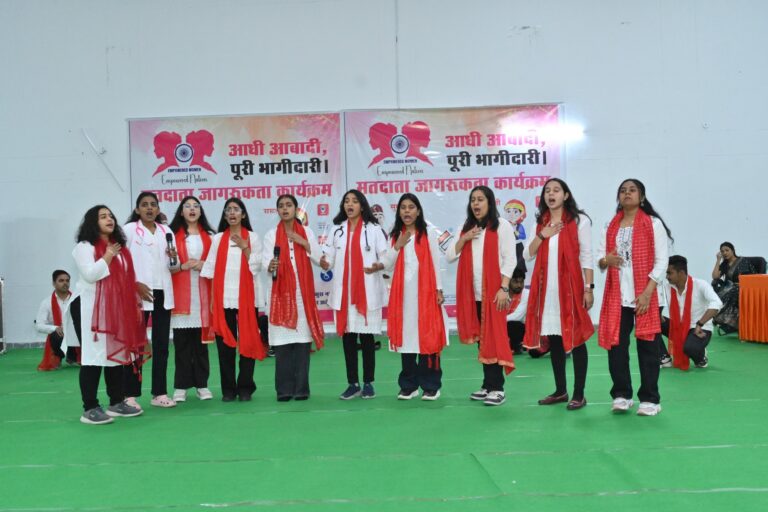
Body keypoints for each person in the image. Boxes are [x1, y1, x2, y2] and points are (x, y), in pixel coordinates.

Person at [65, 205, 148, 424]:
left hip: (114, 308)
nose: (109, 219)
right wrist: (108, 256)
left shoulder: (119, 247)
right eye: (103, 217)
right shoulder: (84, 247)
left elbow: (125, 279)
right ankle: (90, 408)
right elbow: (90, 275)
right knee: (92, 357)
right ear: (93, 222)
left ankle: (116, 402)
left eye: (110, 216)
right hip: (89, 307)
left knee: (116, 354)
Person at [597, 178, 671, 417]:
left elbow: (662, 261)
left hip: (647, 294)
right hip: (617, 297)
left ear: (642, 197)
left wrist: (648, 292)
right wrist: (606, 260)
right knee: (616, 347)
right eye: (622, 191)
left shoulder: (653, 224)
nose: (627, 193)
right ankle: (622, 395)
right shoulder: (611, 226)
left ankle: (650, 399)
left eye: (632, 190)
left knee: (648, 348)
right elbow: (599, 259)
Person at [524, 178, 594, 411]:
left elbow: (586, 256)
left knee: (577, 339)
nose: (551, 194)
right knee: (555, 339)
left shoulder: (579, 220)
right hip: (547, 290)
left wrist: (589, 288)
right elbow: (527, 255)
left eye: (556, 190)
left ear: (566, 195)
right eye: (547, 191)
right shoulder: (541, 222)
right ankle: (561, 390)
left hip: (571, 289)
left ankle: (579, 394)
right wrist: (542, 235)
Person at [446, 186, 516, 406]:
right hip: (473, 294)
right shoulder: (467, 227)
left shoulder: (502, 226)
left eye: (480, 199)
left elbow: (510, 260)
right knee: (482, 340)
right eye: (473, 200)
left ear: (490, 202)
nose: (476, 203)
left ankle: (497, 388)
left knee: (493, 338)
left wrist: (504, 288)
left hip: (495, 294)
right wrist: (464, 238)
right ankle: (488, 384)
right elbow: (450, 255)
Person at [320, 189, 388, 400]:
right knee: (348, 340)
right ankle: (353, 383)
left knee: (367, 340)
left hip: (366, 292)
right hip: (345, 295)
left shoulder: (374, 230)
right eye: (346, 201)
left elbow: (385, 256)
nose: (349, 205)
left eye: (354, 201)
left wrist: (378, 266)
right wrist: (323, 262)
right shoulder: (337, 230)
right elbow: (328, 258)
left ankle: (368, 383)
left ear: (362, 205)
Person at [381, 193, 448, 401]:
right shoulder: (395, 235)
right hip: (402, 298)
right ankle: (408, 385)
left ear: (418, 211)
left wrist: (438, 289)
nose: (407, 211)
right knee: (407, 339)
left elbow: (436, 263)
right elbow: (387, 264)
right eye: (403, 207)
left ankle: (431, 385)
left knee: (428, 338)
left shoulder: (428, 233)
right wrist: (398, 245)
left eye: (411, 207)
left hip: (426, 296)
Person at [201, 198, 266, 401]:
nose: (232, 213)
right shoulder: (218, 238)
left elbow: (257, 267)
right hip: (224, 299)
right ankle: (228, 390)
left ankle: (246, 387)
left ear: (243, 214)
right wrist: (213, 300)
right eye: (228, 210)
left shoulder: (253, 237)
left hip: (248, 299)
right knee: (225, 347)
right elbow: (211, 269)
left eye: (236, 209)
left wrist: (245, 247)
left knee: (248, 341)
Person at [263, 194, 324, 401]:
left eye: (289, 205)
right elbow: (266, 262)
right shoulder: (271, 235)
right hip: (281, 296)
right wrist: (270, 265)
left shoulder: (307, 232)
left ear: (296, 209)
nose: (285, 209)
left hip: (301, 295)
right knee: (282, 347)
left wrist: (304, 243)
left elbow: (319, 258)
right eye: (281, 206)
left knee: (302, 345)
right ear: (277, 211)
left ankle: (301, 389)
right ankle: (284, 390)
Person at [124, 191, 178, 409]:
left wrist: (174, 258)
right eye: (144, 205)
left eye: (153, 205)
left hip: (162, 292)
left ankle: (159, 393)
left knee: (162, 345)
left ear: (158, 209)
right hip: (138, 293)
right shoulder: (129, 230)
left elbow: (174, 267)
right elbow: (120, 262)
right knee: (136, 345)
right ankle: (130, 394)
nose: (149, 208)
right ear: (137, 210)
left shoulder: (167, 231)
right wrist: (134, 284)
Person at [168, 196, 215, 402]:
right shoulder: (172, 235)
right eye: (187, 206)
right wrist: (182, 266)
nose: (192, 209)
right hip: (181, 297)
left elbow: (217, 263)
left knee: (201, 345)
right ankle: (181, 386)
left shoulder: (210, 237)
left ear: (201, 211)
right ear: (181, 212)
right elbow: (167, 265)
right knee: (182, 346)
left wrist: (204, 264)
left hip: (203, 296)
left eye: (196, 206)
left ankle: (202, 385)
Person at [659, 255, 722, 370]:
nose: (667, 277)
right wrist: (658, 316)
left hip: (699, 328)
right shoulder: (667, 287)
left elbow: (717, 303)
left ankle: (701, 356)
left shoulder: (701, 284)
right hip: (677, 326)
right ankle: (665, 357)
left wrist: (700, 323)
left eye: (670, 273)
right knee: (651, 324)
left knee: (689, 348)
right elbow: (657, 303)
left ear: (681, 273)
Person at [711, 242, 758, 335]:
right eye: (722, 251)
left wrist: (741, 283)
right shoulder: (725, 264)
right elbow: (715, 276)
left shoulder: (743, 261)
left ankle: (732, 323)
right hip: (729, 287)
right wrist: (718, 260)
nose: (724, 253)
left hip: (744, 287)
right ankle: (726, 321)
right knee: (716, 296)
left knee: (732, 292)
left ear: (733, 250)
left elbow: (753, 277)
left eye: (727, 250)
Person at [36, 270, 77, 370]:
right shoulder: (46, 302)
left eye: (67, 280)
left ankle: (73, 357)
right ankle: (58, 357)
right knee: (56, 334)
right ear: (54, 283)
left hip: (75, 334)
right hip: (60, 335)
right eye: (61, 281)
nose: (65, 283)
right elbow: (39, 325)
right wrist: (55, 328)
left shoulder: (77, 299)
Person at [506, 268, 529, 355]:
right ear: (508, 281)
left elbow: (517, 316)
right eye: (515, 282)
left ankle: (516, 345)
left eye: (521, 282)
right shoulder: (503, 294)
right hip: (506, 325)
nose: (519, 285)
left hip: (524, 328)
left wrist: (498, 321)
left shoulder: (526, 294)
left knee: (513, 324)